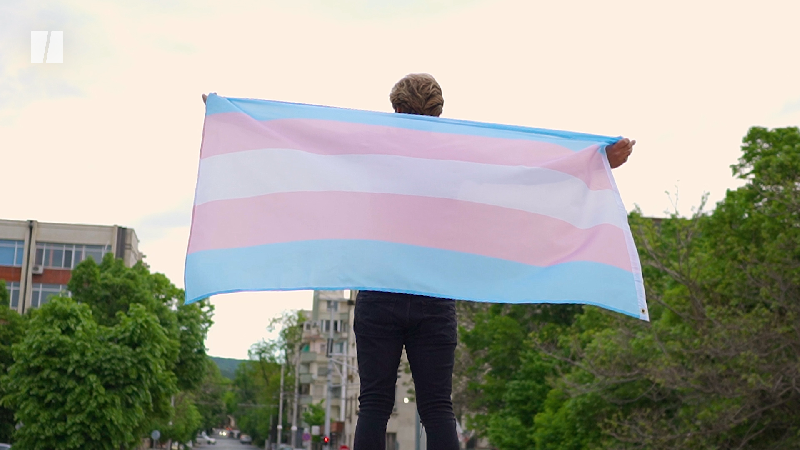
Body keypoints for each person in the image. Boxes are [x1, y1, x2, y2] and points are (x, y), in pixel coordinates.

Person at [351, 73, 635, 450]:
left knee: (374, 405)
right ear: (438, 113)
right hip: (434, 294)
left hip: (379, 292)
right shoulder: (458, 158)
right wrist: (596, 162)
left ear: (398, 110)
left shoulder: (369, 154)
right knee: (437, 408)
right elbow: (522, 172)